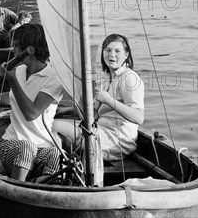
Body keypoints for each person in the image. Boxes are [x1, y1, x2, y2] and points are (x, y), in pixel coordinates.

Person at [0, 24, 64, 181]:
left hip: (42, 146)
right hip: (13, 143)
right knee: (26, 146)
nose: (13, 51)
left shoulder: (54, 79)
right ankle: (19, 185)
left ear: (28, 50)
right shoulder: (19, 70)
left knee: (56, 153)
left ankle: (43, 183)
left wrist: (11, 80)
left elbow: (31, 113)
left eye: (16, 46)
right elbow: (12, 97)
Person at [55, 33, 144, 161]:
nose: (111, 55)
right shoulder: (108, 78)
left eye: (117, 51)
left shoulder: (129, 78)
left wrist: (108, 100)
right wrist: (63, 110)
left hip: (117, 140)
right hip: (99, 130)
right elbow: (92, 111)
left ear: (126, 55)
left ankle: (67, 173)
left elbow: (138, 117)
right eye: (108, 50)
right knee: (52, 124)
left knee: (56, 129)